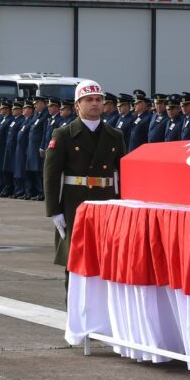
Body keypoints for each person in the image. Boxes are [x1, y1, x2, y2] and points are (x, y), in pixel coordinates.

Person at [43, 80, 126, 292]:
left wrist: (125, 204)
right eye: (88, 100)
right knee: (76, 259)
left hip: (107, 201)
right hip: (76, 203)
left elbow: (124, 172)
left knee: (105, 257)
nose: (95, 103)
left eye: (99, 99)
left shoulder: (115, 135)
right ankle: (74, 312)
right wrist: (54, 210)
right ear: (77, 104)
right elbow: (51, 174)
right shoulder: (63, 134)